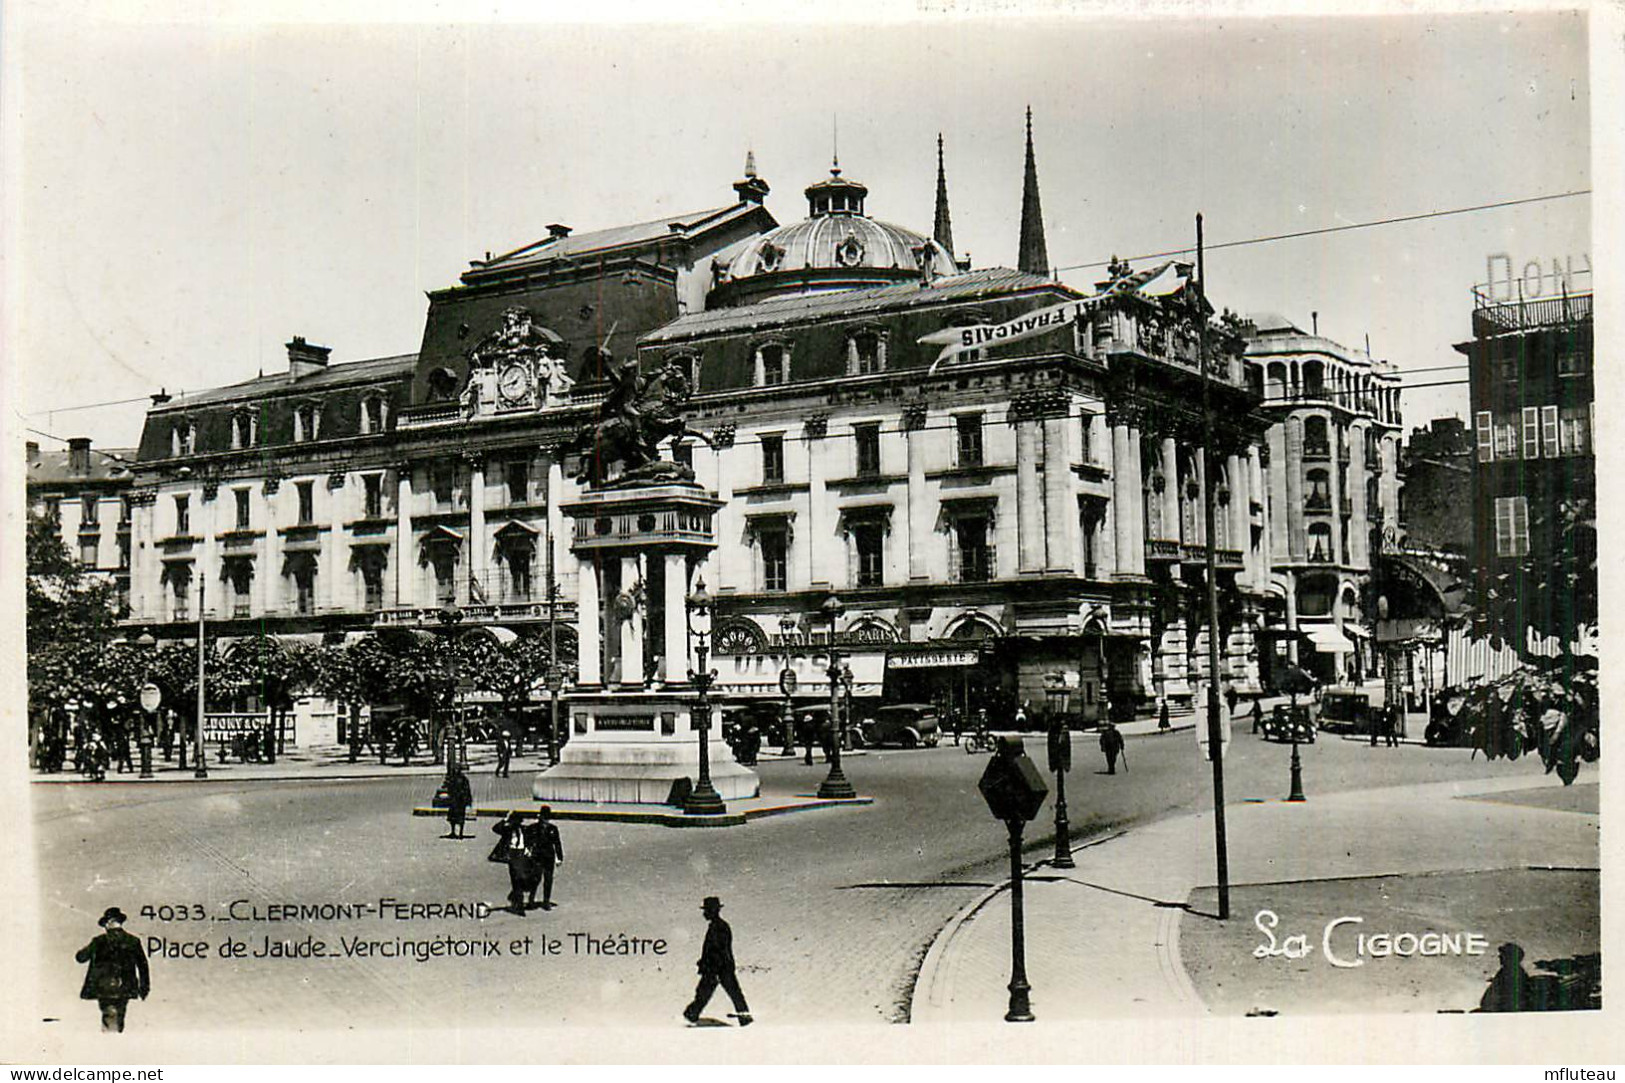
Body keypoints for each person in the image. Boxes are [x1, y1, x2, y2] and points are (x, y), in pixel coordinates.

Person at [76, 907, 149, 1033]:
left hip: (103, 987)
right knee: (119, 1017)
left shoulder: (98, 941)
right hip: (126, 988)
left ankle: (110, 1044)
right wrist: (144, 988)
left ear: (109, 922)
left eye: (105, 923)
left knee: (109, 1017)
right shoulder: (133, 941)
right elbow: (143, 966)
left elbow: (80, 958)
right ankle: (115, 1041)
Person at [683, 896, 752, 1027]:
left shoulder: (719, 927)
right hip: (719, 968)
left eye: (706, 910)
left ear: (712, 911)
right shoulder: (718, 926)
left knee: (706, 993)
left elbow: (718, 951)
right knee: (730, 993)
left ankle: (691, 1015)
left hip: (717, 968)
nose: (704, 913)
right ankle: (745, 1018)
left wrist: (711, 967)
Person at [492, 807, 564, 914]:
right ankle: (524, 901)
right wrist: (506, 820)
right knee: (528, 879)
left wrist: (559, 857)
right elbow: (496, 829)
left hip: (541, 857)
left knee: (542, 879)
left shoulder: (547, 829)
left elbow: (557, 844)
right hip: (524, 856)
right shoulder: (523, 829)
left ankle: (543, 901)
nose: (545, 821)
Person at [444, 765, 473, 839]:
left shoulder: (463, 779)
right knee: (452, 817)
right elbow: (449, 787)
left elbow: (467, 790)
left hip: (460, 801)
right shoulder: (452, 778)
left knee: (460, 817)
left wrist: (467, 800)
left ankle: (460, 832)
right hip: (454, 800)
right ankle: (453, 831)